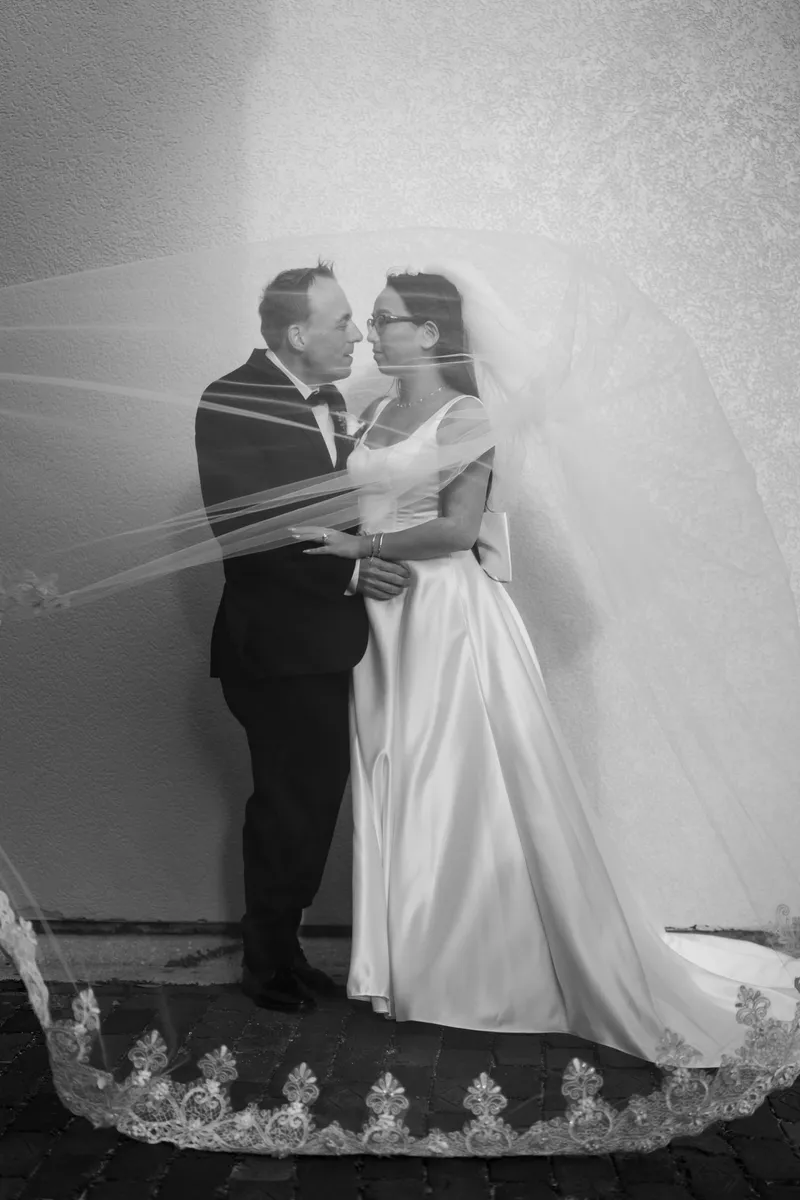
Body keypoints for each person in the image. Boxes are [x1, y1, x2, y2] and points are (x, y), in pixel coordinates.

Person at [292, 268, 800, 1067]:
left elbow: (460, 529)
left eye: (386, 320)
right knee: (394, 771)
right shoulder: (378, 411)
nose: (372, 334)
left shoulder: (470, 416)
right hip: (380, 619)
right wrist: (353, 562)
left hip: (446, 618)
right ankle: (404, 963)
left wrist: (365, 548)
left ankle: (465, 971)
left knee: (449, 781)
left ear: (428, 334)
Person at [194, 262, 411, 1014]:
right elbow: (243, 531)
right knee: (288, 805)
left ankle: (286, 953)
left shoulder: (339, 406)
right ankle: (265, 965)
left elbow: (353, 514)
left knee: (314, 803)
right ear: (296, 332)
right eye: (343, 320)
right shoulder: (230, 398)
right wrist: (355, 578)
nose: (356, 333)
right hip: (275, 648)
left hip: (331, 644)